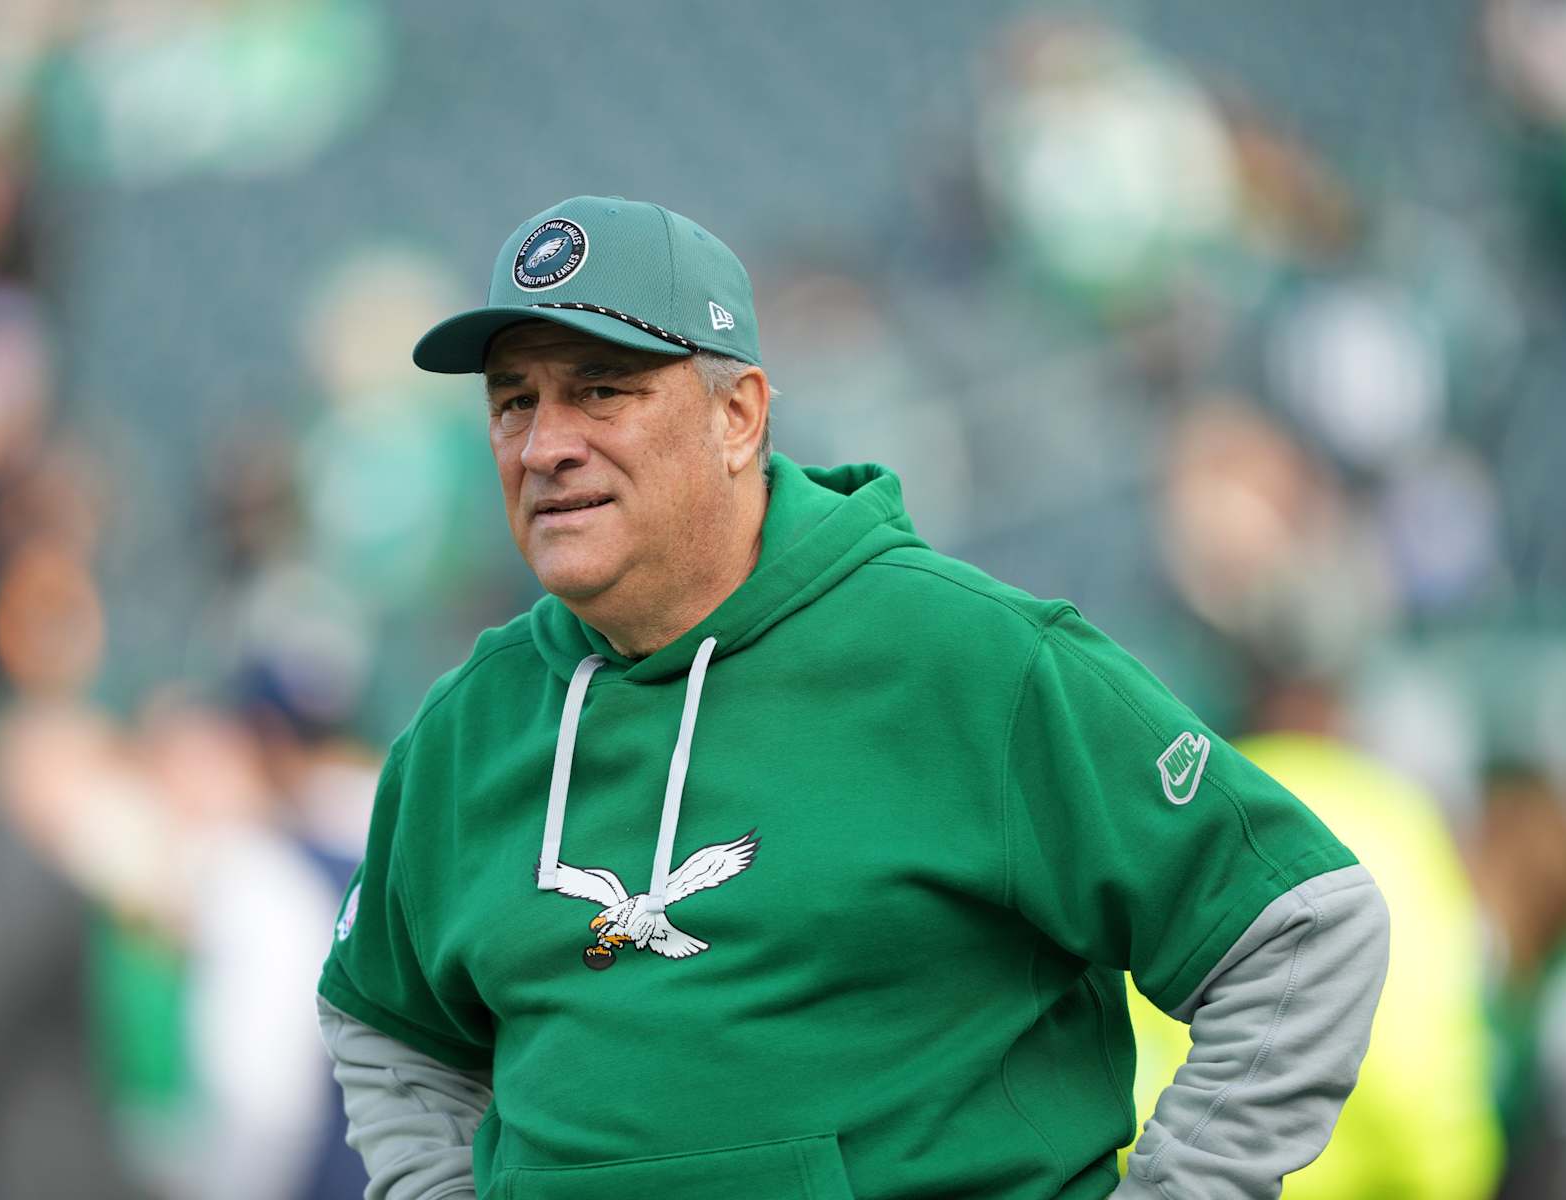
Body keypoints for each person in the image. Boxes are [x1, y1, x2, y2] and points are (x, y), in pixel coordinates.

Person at [316, 195, 1390, 1200]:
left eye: (601, 389)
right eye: (515, 403)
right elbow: (384, 1022)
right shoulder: (464, 727)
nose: (546, 444)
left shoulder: (973, 659)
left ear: (737, 417)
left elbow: (1300, 929)